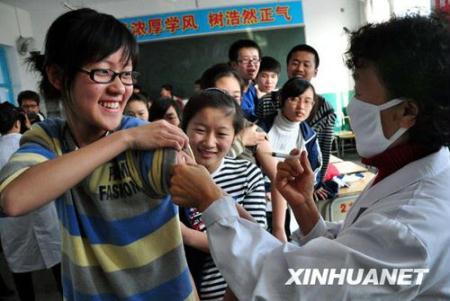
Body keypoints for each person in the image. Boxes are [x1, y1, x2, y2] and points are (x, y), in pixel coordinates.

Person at [170, 12, 450, 300]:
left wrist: (211, 202)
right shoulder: (409, 171)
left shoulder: (409, 226)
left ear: (407, 112)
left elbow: (291, 286)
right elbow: (346, 253)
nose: (353, 106)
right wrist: (305, 207)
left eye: (361, 93)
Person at [0, 8, 196, 301]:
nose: (119, 87)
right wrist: (123, 140)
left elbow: (198, 188)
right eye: (103, 71)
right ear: (57, 75)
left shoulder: (151, 140)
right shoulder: (49, 139)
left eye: (126, 73)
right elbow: (13, 200)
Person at [178, 89, 266, 300]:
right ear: (184, 129)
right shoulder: (170, 177)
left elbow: (254, 245)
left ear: (236, 136)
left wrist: (185, 234)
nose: (209, 142)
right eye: (199, 130)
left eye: (221, 134)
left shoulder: (247, 175)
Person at [199, 63, 290, 240]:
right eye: (222, 96)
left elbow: (279, 179)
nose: (230, 104)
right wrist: (239, 142)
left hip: (248, 228)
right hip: (203, 225)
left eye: (236, 96)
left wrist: (279, 229)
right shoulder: (195, 133)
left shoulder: (253, 132)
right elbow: (202, 172)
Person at [0, 102, 62, 301]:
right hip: (46, 212)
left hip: (11, 219)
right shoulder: (35, 146)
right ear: (18, 123)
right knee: (58, 265)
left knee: (20, 269)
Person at [257, 44, 336, 185]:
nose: (299, 69)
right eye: (295, 63)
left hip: (300, 179)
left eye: (306, 65)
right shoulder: (267, 101)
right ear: (287, 66)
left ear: (315, 71)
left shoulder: (326, 110)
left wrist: (316, 185)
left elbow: (323, 151)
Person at [258, 77, 322, 239]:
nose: (301, 107)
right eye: (294, 99)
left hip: (292, 203)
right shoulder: (261, 129)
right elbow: (248, 166)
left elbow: (313, 171)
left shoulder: (309, 136)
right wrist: (264, 189)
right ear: (282, 99)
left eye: (307, 101)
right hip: (260, 203)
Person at [228, 39, 261, 122]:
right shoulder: (230, 93)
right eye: (245, 60)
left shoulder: (253, 89)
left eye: (255, 59)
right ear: (234, 65)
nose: (252, 64)